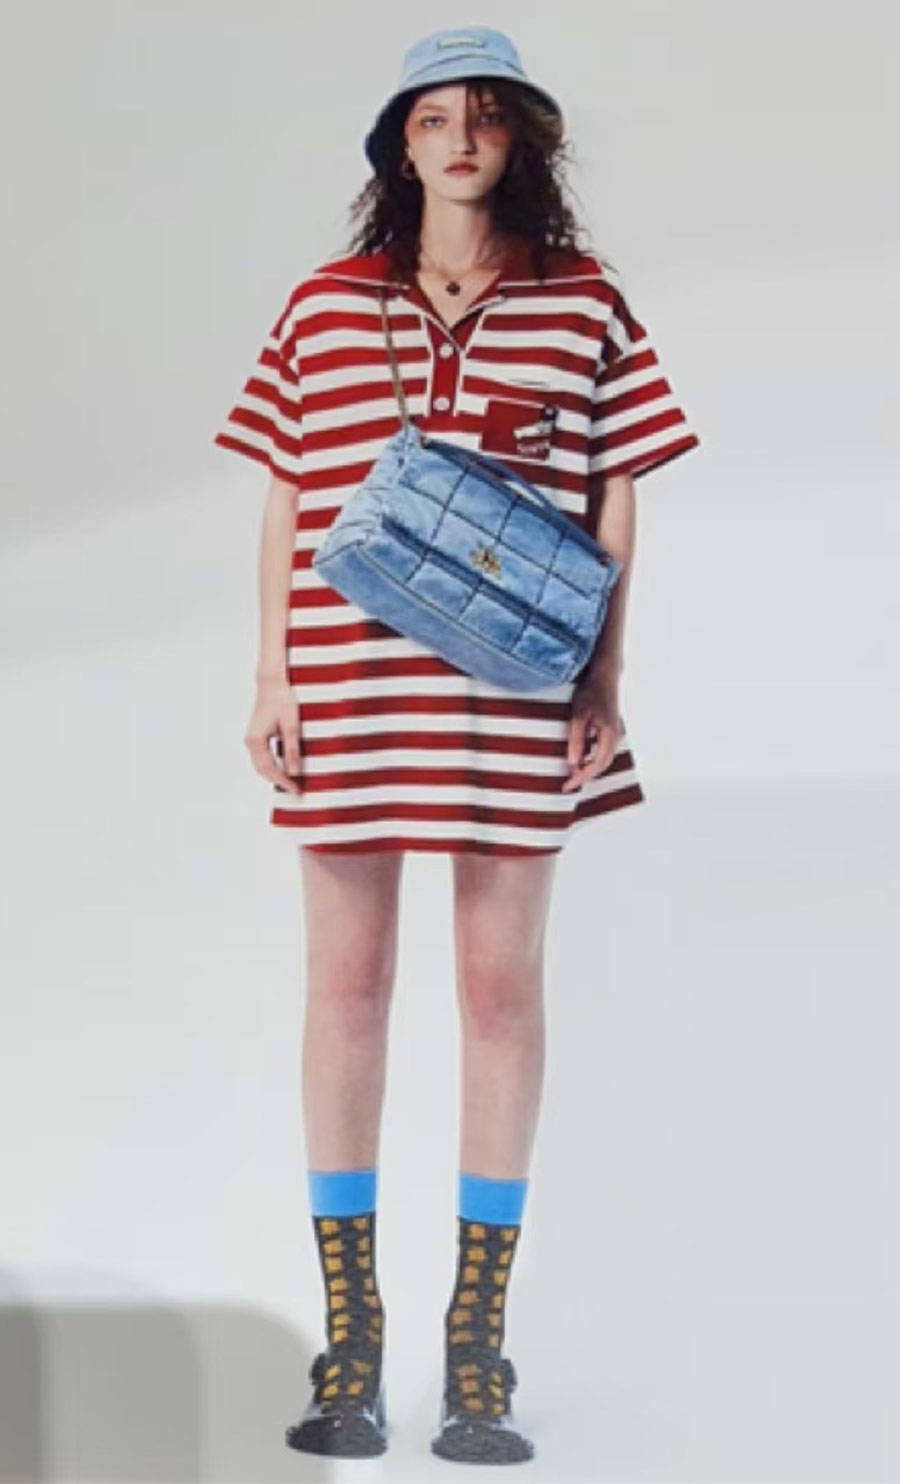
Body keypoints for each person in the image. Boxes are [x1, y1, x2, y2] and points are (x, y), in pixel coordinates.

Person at [212, 24, 700, 1466]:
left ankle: (477, 1344)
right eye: (434, 118)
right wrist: (272, 676)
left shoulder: (583, 299)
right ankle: (351, 1340)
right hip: (352, 683)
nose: (462, 139)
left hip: (513, 690)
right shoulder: (325, 301)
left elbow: (616, 489)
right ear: (400, 146)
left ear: (522, 136)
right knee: (346, 991)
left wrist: (605, 672)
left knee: (499, 997)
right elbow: (287, 490)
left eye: (487, 115)